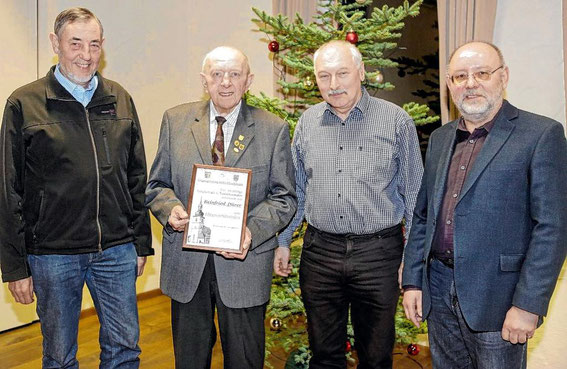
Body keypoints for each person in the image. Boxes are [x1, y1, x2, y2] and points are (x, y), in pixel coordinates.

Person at [0, 7, 153, 369]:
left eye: (95, 45)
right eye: (76, 44)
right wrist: (15, 267)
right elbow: (8, 190)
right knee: (59, 356)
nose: (86, 55)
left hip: (116, 250)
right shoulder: (24, 103)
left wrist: (141, 242)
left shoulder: (119, 98)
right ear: (56, 43)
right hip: (53, 255)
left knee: (124, 350)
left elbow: (136, 177)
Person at [402, 41, 567, 369]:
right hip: (438, 290)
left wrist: (528, 305)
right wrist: (412, 280)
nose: (471, 83)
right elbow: (423, 216)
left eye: (482, 73)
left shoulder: (541, 135)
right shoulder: (439, 139)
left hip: (500, 298)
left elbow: (553, 226)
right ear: (450, 85)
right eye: (460, 76)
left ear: (503, 77)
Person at [145, 46, 297, 369]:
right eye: (217, 74)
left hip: (244, 268)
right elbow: (156, 186)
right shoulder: (175, 120)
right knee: (189, 361)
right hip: (188, 267)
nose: (225, 82)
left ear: (248, 80)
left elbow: (285, 197)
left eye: (234, 74)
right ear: (205, 81)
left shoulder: (273, 129)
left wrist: (251, 232)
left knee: (244, 361)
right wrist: (170, 210)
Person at [277, 40, 423, 369]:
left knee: (375, 357)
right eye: (324, 76)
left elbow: (414, 197)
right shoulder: (306, 124)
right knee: (324, 355)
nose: (334, 84)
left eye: (342, 73)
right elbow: (297, 190)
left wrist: (411, 262)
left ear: (361, 72)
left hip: (379, 255)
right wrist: (284, 240)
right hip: (320, 253)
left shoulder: (396, 122)